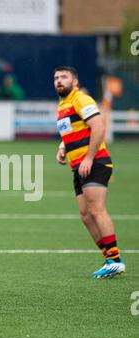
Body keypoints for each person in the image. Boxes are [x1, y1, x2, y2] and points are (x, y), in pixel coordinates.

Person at [54, 66, 125, 278]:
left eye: (64, 77)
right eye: (56, 78)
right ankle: (110, 259)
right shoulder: (63, 104)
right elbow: (75, 130)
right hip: (79, 165)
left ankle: (114, 260)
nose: (59, 81)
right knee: (86, 215)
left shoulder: (80, 99)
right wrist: (63, 147)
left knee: (96, 210)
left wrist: (89, 158)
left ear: (74, 81)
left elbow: (98, 126)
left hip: (94, 162)